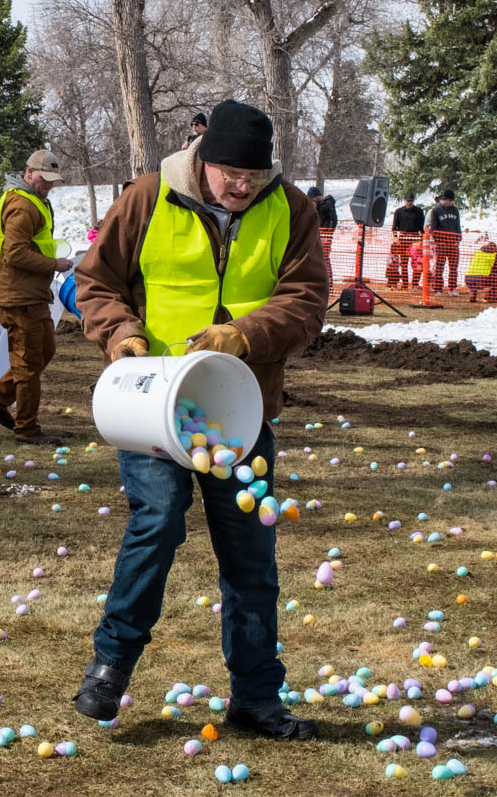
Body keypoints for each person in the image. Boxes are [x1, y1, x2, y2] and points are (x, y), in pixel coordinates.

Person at [73, 99, 328, 740]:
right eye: (229, 175)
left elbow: (306, 299)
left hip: (239, 409)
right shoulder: (146, 196)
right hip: (153, 402)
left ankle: (256, 698)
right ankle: (110, 667)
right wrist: (120, 334)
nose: (242, 187)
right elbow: (94, 281)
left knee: (250, 556)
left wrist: (244, 335)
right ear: (201, 157)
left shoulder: (290, 208)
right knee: (156, 523)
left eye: (253, 177)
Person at [0, 149, 73, 445]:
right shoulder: (23, 206)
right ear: (28, 173)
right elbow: (15, 253)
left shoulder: (31, 200)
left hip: (28, 293)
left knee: (43, 351)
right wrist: (53, 265)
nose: (49, 185)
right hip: (17, 297)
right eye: (45, 179)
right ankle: (27, 429)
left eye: (52, 181)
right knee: (28, 363)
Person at [428, 189, 462, 295]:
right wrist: (438, 241)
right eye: (449, 200)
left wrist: (458, 239)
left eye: (452, 200)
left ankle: (452, 288)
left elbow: (458, 225)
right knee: (439, 267)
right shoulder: (436, 210)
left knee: (453, 267)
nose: (451, 202)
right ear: (444, 199)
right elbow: (434, 228)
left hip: (453, 243)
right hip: (441, 244)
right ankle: (438, 289)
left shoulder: (455, 210)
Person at [306, 186, 338, 290]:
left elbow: (333, 219)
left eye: (312, 199)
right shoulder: (321, 205)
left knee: (324, 259)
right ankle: (321, 284)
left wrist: (328, 233)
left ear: (315, 196)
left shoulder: (327, 204)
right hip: (321, 235)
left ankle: (328, 285)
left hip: (325, 236)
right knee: (320, 259)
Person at [391, 193, 425, 289]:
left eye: (410, 201)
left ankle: (415, 284)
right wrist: (395, 238)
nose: (409, 202)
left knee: (417, 263)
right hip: (403, 240)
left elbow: (421, 228)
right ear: (404, 200)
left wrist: (422, 239)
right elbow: (394, 227)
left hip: (415, 241)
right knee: (404, 263)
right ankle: (405, 283)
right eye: (407, 200)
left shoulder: (419, 211)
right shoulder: (398, 212)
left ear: (413, 201)